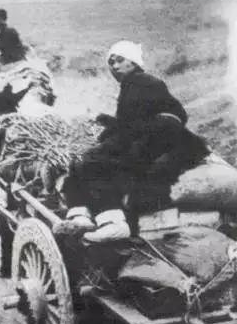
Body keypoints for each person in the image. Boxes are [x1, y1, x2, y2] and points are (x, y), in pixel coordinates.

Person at [59, 40, 209, 245]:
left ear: (134, 62)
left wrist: (106, 137)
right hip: (160, 138)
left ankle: (111, 222)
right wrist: (111, 124)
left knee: (92, 160)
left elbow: (130, 125)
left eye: (120, 60)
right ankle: (85, 216)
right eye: (111, 62)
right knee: (98, 159)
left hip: (157, 139)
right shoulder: (142, 83)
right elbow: (140, 119)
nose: (115, 66)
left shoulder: (138, 82)